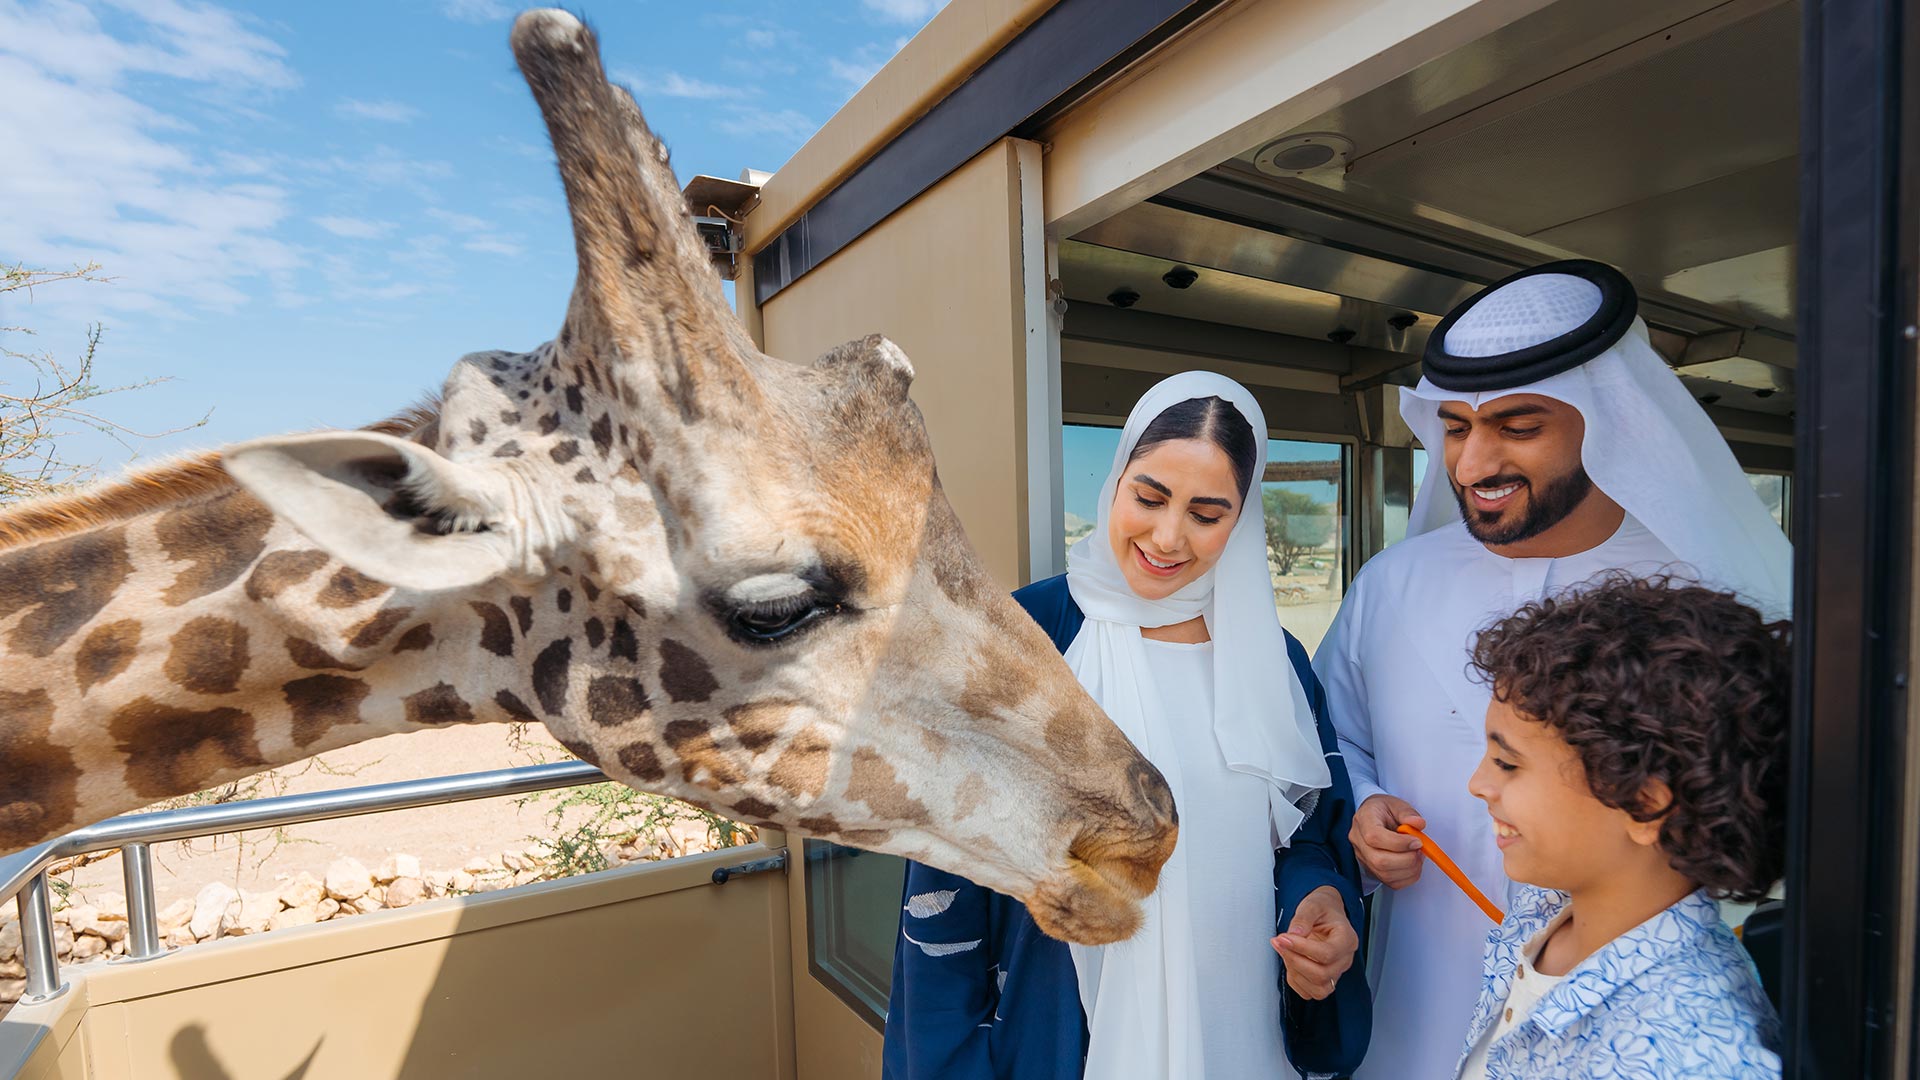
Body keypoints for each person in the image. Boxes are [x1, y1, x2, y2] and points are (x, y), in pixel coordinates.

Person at [1315, 259, 1792, 1077]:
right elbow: (1332, 739)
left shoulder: (1713, 593)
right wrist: (1362, 810)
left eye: (1518, 425)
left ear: (1608, 421)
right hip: (1414, 1002)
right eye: (1457, 427)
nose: (1471, 464)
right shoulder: (1392, 582)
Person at [881, 371, 1371, 1080]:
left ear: (1244, 517)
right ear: (1116, 479)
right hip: (1061, 1044)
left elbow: (1306, 837)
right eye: (1149, 496)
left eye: (1208, 512)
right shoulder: (1020, 643)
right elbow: (947, 888)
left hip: (1242, 1037)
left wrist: (1318, 900)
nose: (1168, 536)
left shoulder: (1274, 660)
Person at [1456, 575, 1787, 1078]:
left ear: (1643, 806)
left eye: (1507, 763)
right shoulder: (1546, 908)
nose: (1477, 784)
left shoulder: (1685, 1057)